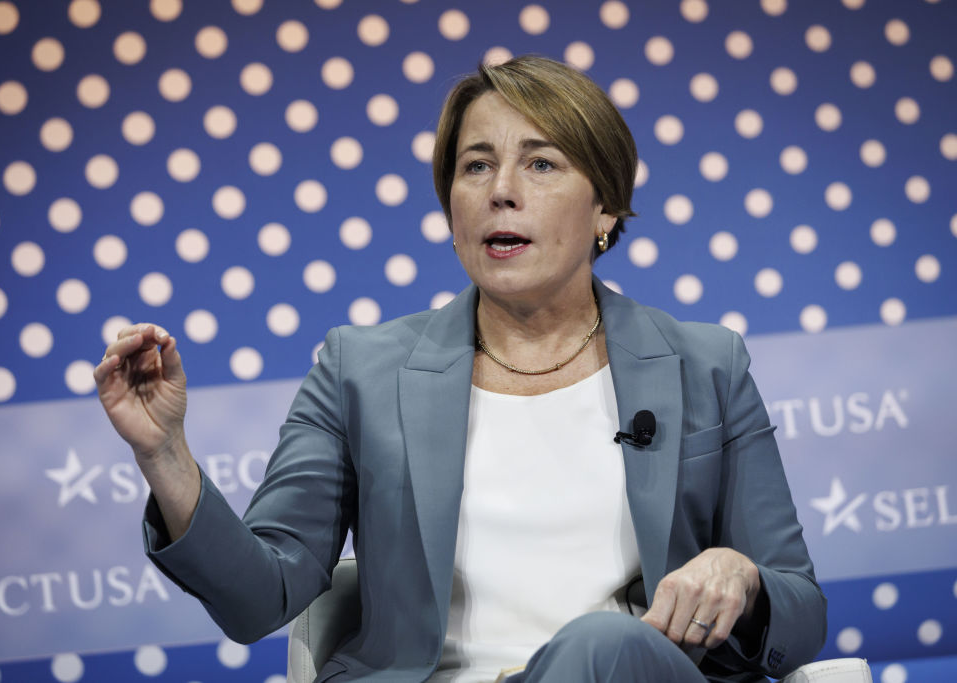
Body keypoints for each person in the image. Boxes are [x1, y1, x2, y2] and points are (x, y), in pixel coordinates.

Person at [95, 55, 826, 682]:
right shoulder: (361, 370)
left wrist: (746, 579)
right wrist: (165, 455)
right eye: (476, 165)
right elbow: (259, 599)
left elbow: (804, 609)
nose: (500, 189)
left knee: (601, 646)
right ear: (452, 208)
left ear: (605, 206)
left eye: (540, 163)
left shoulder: (706, 364)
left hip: (627, 670)